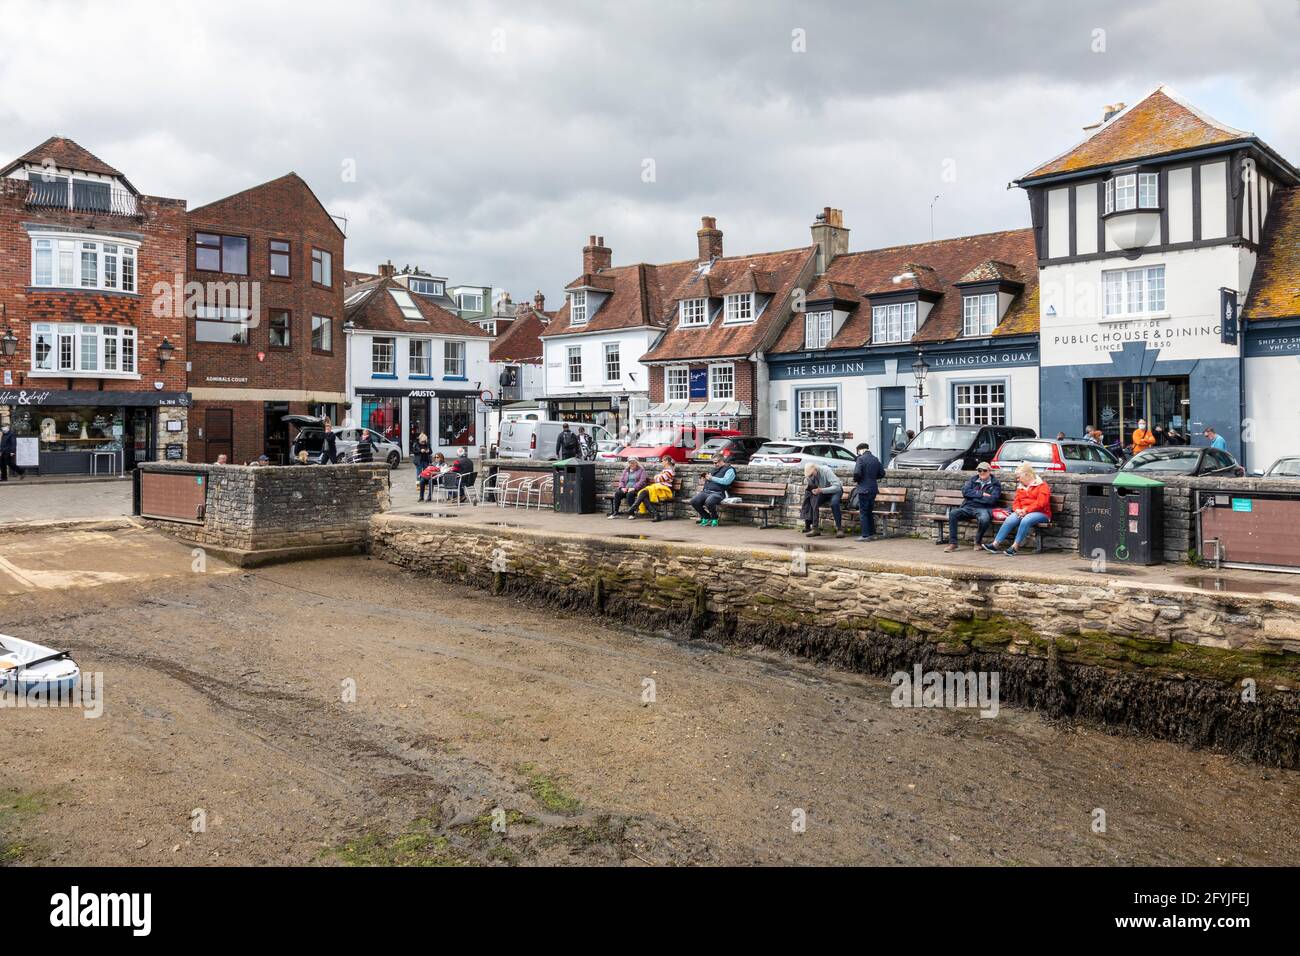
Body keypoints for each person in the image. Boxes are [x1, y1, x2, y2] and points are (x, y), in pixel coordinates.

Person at [984, 463, 1051, 557]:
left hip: (1042, 513)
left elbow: (1041, 503)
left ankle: (1015, 547)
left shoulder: (1042, 486)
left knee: (1026, 519)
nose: (1017, 479)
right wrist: (1017, 510)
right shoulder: (1021, 487)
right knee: (1010, 519)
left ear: (1027, 475)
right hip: (1024, 512)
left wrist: (1026, 510)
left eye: (1019, 477)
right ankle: (995, 544)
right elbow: (1016, 502)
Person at [945, 462, 1002, 552]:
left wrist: (973, 497)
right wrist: (981, 494)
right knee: (953, 513)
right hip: (968, 507)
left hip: (983, 508)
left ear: (989, 471)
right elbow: (965, 492)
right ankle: (953, 543)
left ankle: (977, 542)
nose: (981, 472)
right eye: (979, 470)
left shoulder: (995, 484)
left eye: (984, 470)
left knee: (984, 519)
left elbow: (992, 500)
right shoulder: (973, 480)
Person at [691, 448, 737, 526]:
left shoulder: (730, 470)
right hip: (706, 491)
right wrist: (704, 479)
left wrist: (712, 478)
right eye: (713, 463)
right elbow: (709, 479)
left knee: (709, 501)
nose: (714, 465)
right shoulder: (714, 469)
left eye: (716, 463)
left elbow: (726, 481)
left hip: (719, 493)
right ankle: (706, 516)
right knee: (694, 501)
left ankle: (714, 518)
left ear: (721, 461)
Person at [851, 442, 884, 541]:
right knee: (869, 511)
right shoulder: (875, 459)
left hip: (863, 489)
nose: (858, 453)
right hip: (873, 489)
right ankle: (872, 533)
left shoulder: (860, 459)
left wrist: (857, 480)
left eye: (858, 451)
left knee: (864, 512)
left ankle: (865, 535)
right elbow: (882, 473)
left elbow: (857, 473)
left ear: (860, 450)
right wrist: (873, 477)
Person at [802, 461, 844, 538]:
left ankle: (839, 529)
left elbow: (837, 487)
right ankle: (815, 529)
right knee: (814, 502)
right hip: (823, 491)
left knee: (834, 503)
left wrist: (821, 490)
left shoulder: (826, 470)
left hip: (835, 491)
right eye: (809, 475)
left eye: (811, 474)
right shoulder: (810, 476)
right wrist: (813, 490)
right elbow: (813, 487)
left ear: (815, 469)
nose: (810, 477)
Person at [632, 455, 676, 521]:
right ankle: (656, 515)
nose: (662, 462)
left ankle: (634, 507)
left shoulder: (670, 471)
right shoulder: (665, 470)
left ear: (666, 461)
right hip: (659, 488)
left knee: (644, 492)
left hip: (664, 490)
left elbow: (658, 479)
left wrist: (657, 476)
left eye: (662, 461)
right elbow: (658, 479)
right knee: (643, 494)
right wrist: (658, 477)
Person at [413, 432, 434, 501]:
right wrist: (420, 451)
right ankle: (418, 485)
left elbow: (431, 451)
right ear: (419, 440)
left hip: (426, 460)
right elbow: (414, 451)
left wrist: (428, 451)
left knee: (426, 473)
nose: (423, 442)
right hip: (419, 461)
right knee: (419, 474)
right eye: (422, 441)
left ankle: (426, 485)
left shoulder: (427, 444)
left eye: (424, 441)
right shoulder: (416, 444)